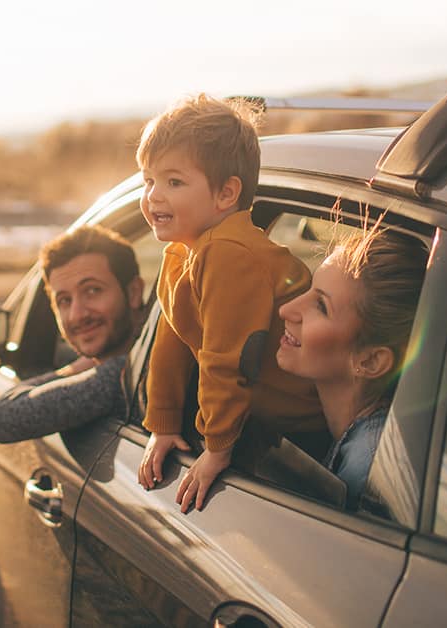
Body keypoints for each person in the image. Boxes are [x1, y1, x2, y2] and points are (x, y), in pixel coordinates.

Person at [135, 94, 325, 513]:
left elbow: (227, 359)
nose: (154, 197)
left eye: (174, 182)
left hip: (304, 428)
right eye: (148, 181)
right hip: (266, 420)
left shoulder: (228, 253)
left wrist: (217, 448)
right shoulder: (185, 252)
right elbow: (172, 340)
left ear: (226, 194)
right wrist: (163, 424)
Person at [275, 226, 428, 509]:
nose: (286, 309)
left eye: (321, 306)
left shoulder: (366, 474)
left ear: (370, 361)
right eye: (309, 289)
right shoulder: (369, 439)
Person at [0, 225, 147, 443]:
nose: (77, 315)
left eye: (92, 290)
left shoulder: (126, 376)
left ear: (134, 292)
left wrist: (77, 368)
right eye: (64, 301)